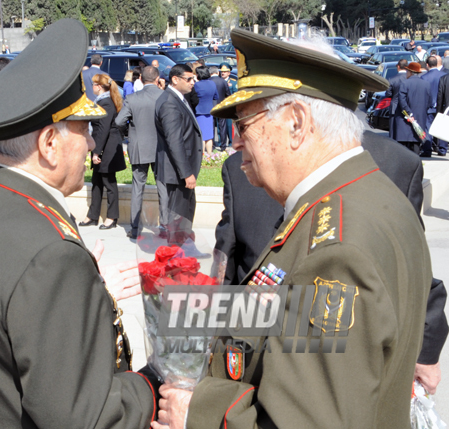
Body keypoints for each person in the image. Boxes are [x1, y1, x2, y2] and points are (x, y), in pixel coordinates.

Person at [153, 30, 431, 429]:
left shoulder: (336, 247)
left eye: (245, 125)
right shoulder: (368, 194)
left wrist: (197, 414)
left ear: (297, 123)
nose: (236, 143)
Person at [0, 18, 158, 428]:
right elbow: (83, 417)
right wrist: (152, 384)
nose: (90, 143)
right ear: (49, 144)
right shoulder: (50, 253)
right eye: (83, 130)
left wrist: (85, 294)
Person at [215, 130, 448, 396]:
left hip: (354, 362)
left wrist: (425, 353)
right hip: (262, 362)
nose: (238, 139)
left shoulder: (395, 162)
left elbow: (410, 264)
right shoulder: (241, 168)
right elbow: (227, 267)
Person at [115, 65, 168, 239]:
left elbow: (119, 121)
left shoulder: (132, 98)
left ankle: (135, 229)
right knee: (163, 187)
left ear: (140, 79)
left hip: (139, 147)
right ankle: (165, 228)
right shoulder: (165, 96)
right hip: (161, 148)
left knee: (138, 188)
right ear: (157, 78)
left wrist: (130, 130)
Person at [155, 64, 203, 246]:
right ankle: (176, 259)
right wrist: (186, 173)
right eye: (189, 79)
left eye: (194, 78)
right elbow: (174, 141)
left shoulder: (179, 98)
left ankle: (185, 253)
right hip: (178, 173)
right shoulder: (169, 102)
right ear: (175, 79)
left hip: (182, 171)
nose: (193, 82)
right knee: (179, 219)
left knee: (186, 215)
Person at [79, 73, 126, 230]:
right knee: (97, 182)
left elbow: (103, 130)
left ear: (98, 86)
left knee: (108, 182)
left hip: (107, 148)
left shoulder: (105, 103)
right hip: (103, 146)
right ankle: (92, 216)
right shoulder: (102, 101)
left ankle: (112, 218)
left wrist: (97, 152)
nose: (92, 87)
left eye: (93, 84)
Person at [394, 62, 432, 155]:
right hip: (420, 117)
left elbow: (402, 101)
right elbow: (429, 102)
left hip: (405, 119)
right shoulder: (426, 84)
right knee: (416, 144)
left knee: (403, 148)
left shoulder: (405, 83)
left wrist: (409, 113)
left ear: (410, 72)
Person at [420, 55, 447, 156]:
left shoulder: (424, 77)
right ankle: (442, 149)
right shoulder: (444, 75)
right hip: (442, 106)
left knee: (428, 129)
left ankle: (427, 150)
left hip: (429, 107)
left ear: (427, 65)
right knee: (442, 127)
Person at [193, 65, 218, 155]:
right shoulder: (212, 83)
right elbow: (216, 96)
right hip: (209, 111)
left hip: (199, 111)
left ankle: (202, 154)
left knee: (201, 135)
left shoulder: (196, 85)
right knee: (209, 135)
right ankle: (210, 154)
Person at [385, 59, 408, 140]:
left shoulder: (392, 79)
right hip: (408, 107)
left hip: (395, 106)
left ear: (398, 67)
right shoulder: (409, 79)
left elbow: (388, 94)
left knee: (393, 132)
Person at [210, 65, 231, 151]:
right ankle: (223, 145)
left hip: (211, 106)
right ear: (218, 72)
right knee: (222, 126)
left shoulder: (208, 81)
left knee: (211, 126)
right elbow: (228, 94)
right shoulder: (223, 81)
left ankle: (212, 145)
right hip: (221, 106)